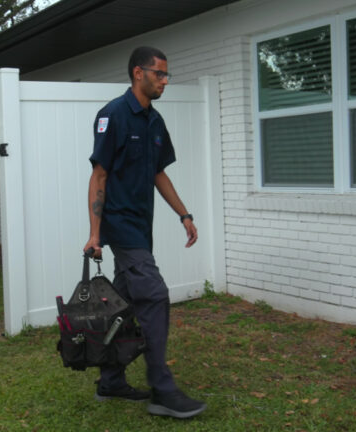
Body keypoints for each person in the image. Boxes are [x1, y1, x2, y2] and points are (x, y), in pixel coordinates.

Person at [82, 46, 206, 419]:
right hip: (121, 226)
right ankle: (162, 390)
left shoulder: (155, 121)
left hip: (142, 226)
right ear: (139, 73)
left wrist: (183, 213)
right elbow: (99, 175)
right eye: (159, 74)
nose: (165, 81)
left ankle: (111, 379)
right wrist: (95, 233)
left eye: (167, 75)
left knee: (122, 306)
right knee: (154, 295)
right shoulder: (113, 115)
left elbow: (158, 174)